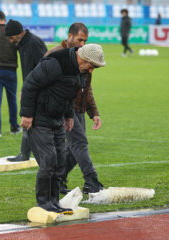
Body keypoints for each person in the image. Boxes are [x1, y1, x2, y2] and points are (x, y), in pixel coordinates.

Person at [20, 44, 105, 213]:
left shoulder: (80, 72)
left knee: (59, 162)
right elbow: (29, 85)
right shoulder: (55, 63)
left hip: (57, 118)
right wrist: (27, 114)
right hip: (39, 117)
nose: (92, 70)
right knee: (49, 160)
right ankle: (42, 202)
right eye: (92, 65)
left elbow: (69, 95)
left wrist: (68, 116)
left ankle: (53, 201)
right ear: (84, 59)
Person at [45, 23, 104, 195]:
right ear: (69, 36)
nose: (82, 44)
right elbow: (42, 82)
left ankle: (58, 181)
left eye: (85, 40)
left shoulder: (85, 55)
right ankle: (92, 182)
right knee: (79, 143)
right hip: (64, 109)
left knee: (73, 148)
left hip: (79, 109)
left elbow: (87, 87)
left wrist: (94, 113)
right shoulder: (55, 55)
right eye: (79, 40)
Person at [4, 19, 47, 162]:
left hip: (40, 90)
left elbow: (45, 68)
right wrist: (25, 89)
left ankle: (31, 154)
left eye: (11, 37)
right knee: (27, 121)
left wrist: (33, 89)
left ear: (18, 33)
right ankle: (25, 154)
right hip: (30, 89)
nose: (10, 41)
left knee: (34, 122)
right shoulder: (22, 44)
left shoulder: (34, 43)